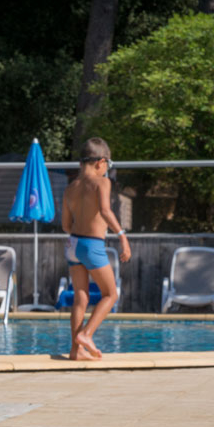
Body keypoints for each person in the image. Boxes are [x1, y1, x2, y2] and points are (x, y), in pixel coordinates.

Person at [60, 137, 131, 360]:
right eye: (108, 166)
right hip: (91, 245)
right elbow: (105, 210)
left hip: (72, 244)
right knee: (111, 294)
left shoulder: (71, 188)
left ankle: (75, 350)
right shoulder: (102, 182)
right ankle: (87, 334)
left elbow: (64, 224)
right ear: (101, 162)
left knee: (80, 297)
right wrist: (122, 236)